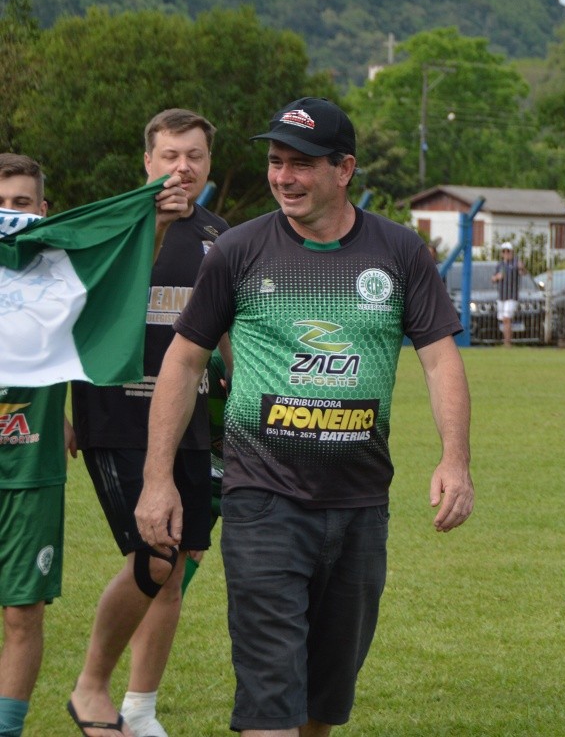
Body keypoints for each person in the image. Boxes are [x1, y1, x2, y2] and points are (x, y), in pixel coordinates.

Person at [134, 96, 475, 737]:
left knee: (324, 703)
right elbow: (182, 363)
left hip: (360, 504)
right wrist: (158, 479)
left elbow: (439, 361)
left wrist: (455, 459)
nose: (283, 178)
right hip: (263, 501)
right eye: (275, 162)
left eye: (301, 165)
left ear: (343, 169)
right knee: (271, 701)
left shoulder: (400, 253)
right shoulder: (237, 250)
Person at [69, 109, 230, 737]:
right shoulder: (112, 227)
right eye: (169, 155)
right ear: (147, 161)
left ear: (208, 164)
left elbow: (229, 331)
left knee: (178, 562)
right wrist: (59, 411)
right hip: (115, 413)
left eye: (194, 156)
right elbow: (70, 318)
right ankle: (90, 689)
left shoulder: (221, 236)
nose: (182, 167)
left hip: (191, 421)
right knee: (155, 555)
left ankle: (140, 709)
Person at [0, 154, 68, 737]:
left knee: (22, 614)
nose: (9, 214)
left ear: (43, 211)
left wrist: (158, 221)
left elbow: (120, 291)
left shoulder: (63, 275)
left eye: (21, 204)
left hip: (31, 468)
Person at [492, 242, 527, 347]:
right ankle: (507, 341)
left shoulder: (516, 263)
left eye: (508, 251)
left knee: (507, 318)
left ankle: (507, 343)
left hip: (511, 296)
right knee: (504, 320)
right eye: (504, 251)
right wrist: (497, 277)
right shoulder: (500, 265)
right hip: (502, 296)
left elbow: (523, 273)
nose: (506, 253)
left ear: (512, 252)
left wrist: (522, 268)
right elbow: (493, 279)